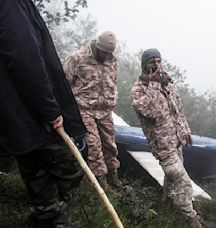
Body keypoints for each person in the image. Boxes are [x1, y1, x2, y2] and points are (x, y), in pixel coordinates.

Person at [0, 0, 87, 227]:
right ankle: (54, 215)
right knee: (67, 167)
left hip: (15, 112)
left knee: (32, 158)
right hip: (30, 108)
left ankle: (46, 215)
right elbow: (24, 56)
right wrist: (48, 109)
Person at [132, 49, 202, 227]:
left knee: (171, 181)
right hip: (162, 146)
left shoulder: (169, 84)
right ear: (144, 64)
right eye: (151, 61)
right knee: (183, 182)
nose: (156, 64)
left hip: (176, 141)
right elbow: (150, 112)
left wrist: (186, 131)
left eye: (158, 60)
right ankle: (191, 218)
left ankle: (166, 208)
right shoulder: (139, 89)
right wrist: (154, 84)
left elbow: (178, 110)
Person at [64, 31, 122, 188]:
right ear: (97, 46)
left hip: (105, 111)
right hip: (84, 109)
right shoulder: (78, 59)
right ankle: (101, 184)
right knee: (93, 146)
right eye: (104, 52)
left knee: (110, 145)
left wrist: (112, 99)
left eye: (110, 52)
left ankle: (113, 178)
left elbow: (113, 82)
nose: (106, 55)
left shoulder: (112, 62)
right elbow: (63, 83)